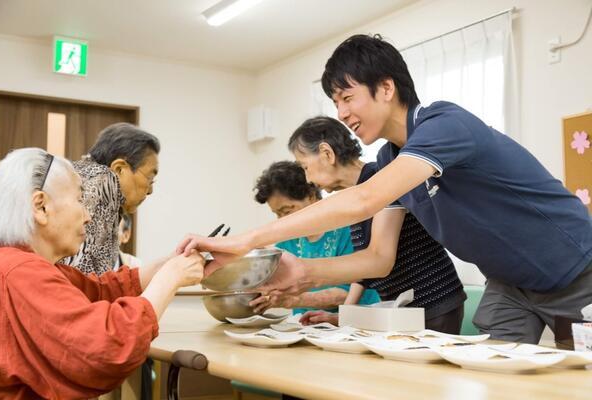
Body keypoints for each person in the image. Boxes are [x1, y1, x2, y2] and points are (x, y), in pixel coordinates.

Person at [180, 34, 592, 344]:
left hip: (578, 269)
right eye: (334, 103)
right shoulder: (391, 163)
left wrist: (244, 241)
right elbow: (378, 258)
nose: (342, 114)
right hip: (509, 285)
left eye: (347, 97)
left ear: (387, 88)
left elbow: (362, 200)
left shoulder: (445, 125)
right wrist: (306, 273)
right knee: (491, 379)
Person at [0, 148, 205, 398]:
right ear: (41, 207)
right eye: (80, 200)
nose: (88, 216)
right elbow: (105, 347)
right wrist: (170, 280)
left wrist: (170, 263)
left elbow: (100, 291)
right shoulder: (22, 273)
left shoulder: (13, 263)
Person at [258, 116, 465, 333]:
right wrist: (341, 316)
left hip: (433, 301)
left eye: (305, 167)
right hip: (400, 310)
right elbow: (364, 269)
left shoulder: (380, 179)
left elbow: (379, 260)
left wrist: (303, 277)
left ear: (327, 153)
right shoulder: (354, 197)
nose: (308, 179)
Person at [253, 160, 380, 315]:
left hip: (357, 324)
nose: (282, 220)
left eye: (286, 211)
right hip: (306, 328)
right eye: (277, 214)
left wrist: (296, 300)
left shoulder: (349, 229)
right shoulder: (286, 244)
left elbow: (350, 291)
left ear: (311, 196)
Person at [63, 122, 160, 275]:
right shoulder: (96, 197)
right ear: (119, 169)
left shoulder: (79, 179)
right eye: (149, 179)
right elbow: (91, 285)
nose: (150, 191)